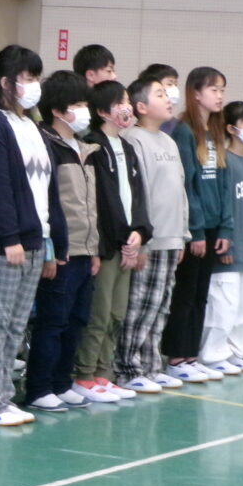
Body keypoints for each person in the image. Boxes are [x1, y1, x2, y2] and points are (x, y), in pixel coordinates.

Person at [0, 45, 67, 426]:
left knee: (14, 325)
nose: (33, 85)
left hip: (35, 241)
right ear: (5, 83)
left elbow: (47, 191)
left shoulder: (32, 127)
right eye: (27, 78)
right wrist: (9, 238)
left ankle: (3, 396)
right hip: (3, 245)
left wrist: (51, 243)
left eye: (36, 78)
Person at [24, 70, 98, 411]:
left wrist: (95, 248)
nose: (85, 111)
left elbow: (90, 205)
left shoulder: (84, 148)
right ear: (57, 110)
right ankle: (39, 387)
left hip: (86, 249)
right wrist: (52, 249)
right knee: (53, 321)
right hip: (62, 250)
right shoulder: (46, 146)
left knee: (77, 320)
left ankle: (62, 382)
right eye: (77, 104)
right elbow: (47, 202)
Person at [73, 80, 151, 403]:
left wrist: (140, 233)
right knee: (100, 313)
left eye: (127, 101)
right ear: (103, 111)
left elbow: (138, 196)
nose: (127, 107)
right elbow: (102, 202)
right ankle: (84, 374)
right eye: (120, 102)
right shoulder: (93, 146)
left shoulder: (128, 148)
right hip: (107, 246)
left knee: (118, 313)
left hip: (128, 244)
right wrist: (123, 240)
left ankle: (104, 373)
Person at [116, 77, 189, 393]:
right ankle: (127, 368)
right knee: (140, 306)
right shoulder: (133, 139)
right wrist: (142, 240)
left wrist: (183, 233)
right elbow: (138, 193)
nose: (168, 98)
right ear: (141, 106)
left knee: (160, 306)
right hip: (151, 239)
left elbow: (179, 190)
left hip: (172, 237)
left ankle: (150, 364)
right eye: (160, 94)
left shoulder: (169, 142)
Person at [162, 66, 232, 383]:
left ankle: (191, 354)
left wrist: (225, 227)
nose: (220, 96)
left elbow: (223, 183)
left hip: (214, 225)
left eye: (222, 90)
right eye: (214, 89)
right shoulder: (184, 131)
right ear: (196, 93)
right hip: (195, 228)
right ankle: (177, 355)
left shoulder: (214, 132)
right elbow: (187, 185)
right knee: (186, 293)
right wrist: (197, 230)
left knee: (201, 293)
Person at [198, 101, 243, 376]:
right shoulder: (224, 161)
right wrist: (226, 244)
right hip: (229, 249)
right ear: (231, 128)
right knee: (223, 306)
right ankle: (212, 354)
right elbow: (224, 205)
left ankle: (235, 353)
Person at [138, 63, 181, 134]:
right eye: (169, 84)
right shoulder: (136, 133)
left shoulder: (180, 128)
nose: (174, 89)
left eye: (176, 85)